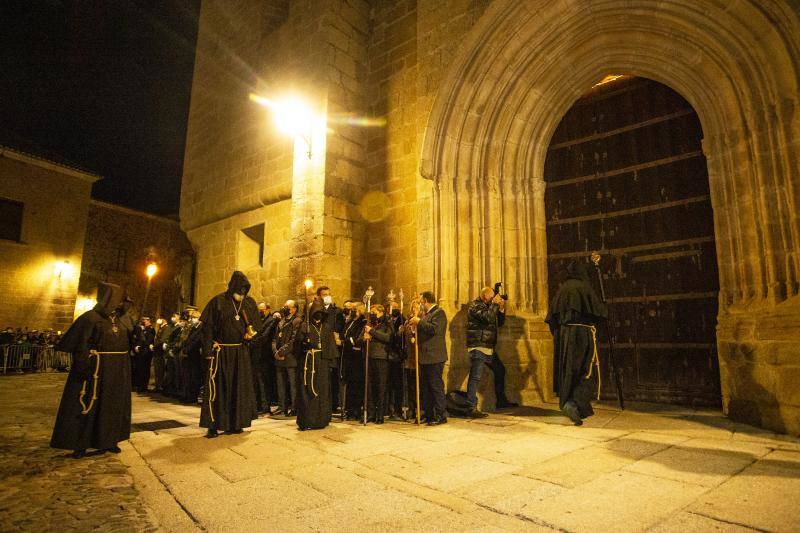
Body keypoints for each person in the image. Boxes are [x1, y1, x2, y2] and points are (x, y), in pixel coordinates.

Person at [50, 282, 132, 458]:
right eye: (117, 299)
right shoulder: (90, 318)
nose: (120, 303)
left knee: (111, 406)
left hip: (116, 373)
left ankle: (109, 440)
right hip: (95, 371)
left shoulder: (120, 320)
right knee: (88, 405)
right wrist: (84, 366)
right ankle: (80, 444)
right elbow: (81, 345)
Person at [198, 271, 262, 438]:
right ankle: (213, 425)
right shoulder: (218, 301)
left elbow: (256, 328)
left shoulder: (248, 303)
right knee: (218, 389)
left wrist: (250, 338)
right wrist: (208, 350)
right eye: (239, 290)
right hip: (221, 352)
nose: (241, 294)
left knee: (238, 389)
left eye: (244, 291)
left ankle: (236, 423)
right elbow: (207, 328)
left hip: (240, 353)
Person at [545, 259, 608, 425]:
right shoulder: (584, 287)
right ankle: (576, 403)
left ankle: (567, 401)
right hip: (582, 334)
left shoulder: (562, 289)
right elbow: (600, 312)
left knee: (567, 369)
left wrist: (560, 333)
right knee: (584, 370)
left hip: (565, 335)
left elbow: (552, 317)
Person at [464, 287, 508, 418]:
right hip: (478, 346)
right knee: (475, 377)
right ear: (484, 296)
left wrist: (501, 308)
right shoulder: (474, 306)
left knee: (500, 370)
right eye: (491, 297)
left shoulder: (489, 306)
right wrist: (494, 304)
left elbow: (499, 323)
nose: (492, 299)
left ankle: (501, 401)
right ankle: (471, 408)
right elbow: (488, 318)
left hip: (488, 347)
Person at [407, 291, 448, 425]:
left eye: (420, 301)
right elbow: (424, 330)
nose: (420, 304)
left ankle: (441, 415)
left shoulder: (439, 313)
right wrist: (414, 328)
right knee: (425, 387)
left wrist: (419, 321)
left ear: (425, 300)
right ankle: (428, 414)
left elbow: (434, 329)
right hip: (425, 356)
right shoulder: (427, 315)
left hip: (434, 356)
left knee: (435, 386)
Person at [294, 302, 333, 430]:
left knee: (322, 390)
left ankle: (321, 420)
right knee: (307, 389)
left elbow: (330, 346)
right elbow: (297, 345)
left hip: (322, 363)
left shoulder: (326, 327)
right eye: (316, 313)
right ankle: (307, 420)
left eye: (321, 313)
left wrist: (330, 363)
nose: (319, 316)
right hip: (308, 361)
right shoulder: (305, 326)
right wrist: (304, 342)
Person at [360, 304, 394, 424]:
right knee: (369, 386)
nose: (372, 314)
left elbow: (388, 337)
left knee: (380, 386)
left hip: (381, 357)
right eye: (371, 312)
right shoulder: (369, 323)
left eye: (374, 312)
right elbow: (359, 339)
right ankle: (370, 413)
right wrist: (364, 337)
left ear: (381, 312)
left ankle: (380, 414)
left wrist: (372, 332)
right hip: (368, 357)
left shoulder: (387, 323)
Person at [272, 300, 303, 417]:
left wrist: (282, 352)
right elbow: (274, 339)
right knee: (280, 384)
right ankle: (282, 407)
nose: (284, 308)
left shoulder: (297, 321)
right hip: (278, 357)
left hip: (290, 357)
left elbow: (293, 340)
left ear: (294, 309)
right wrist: (275, 351)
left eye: (287, 307)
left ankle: (294, 407)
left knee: (292, 384)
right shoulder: (281, 321)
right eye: (284, 306)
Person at [316, 286, 343, 413]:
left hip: (331, 347)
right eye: (324, 294)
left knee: (332, 378)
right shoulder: (315, 309)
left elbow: (338, 327)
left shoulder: (336, 311)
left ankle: (333, 404)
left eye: (328, 294)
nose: (326, 296)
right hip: (318, 348)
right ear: (319, 296)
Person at [341, 301, 365, 420]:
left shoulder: (362, 322)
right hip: (348, 355)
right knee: (350, 383)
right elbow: (345, 334)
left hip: (357, 356)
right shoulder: (350, 321)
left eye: (355, 308)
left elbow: (357, 338)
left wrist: (349, 340)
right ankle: (349, 409)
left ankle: (356, 410)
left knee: (356, 383)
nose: (352, 310)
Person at [386, 300, 406, 419]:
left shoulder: (402, 320)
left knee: (397, 384)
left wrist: (399, 334)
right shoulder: (387, 320)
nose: (393, 309)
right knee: (388, 384)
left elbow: (402, 339)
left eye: (396, 307)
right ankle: (388, 409)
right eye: (391, 307)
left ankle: (398, 409)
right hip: (387, 355)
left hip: (397, 356)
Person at [152, 316, 176, 393]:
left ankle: (160, 386)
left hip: (160, 352)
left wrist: (154, 346)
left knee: (160, 369)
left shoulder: (166, 328)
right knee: (157, 369)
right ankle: (158, 385)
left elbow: (162, 339)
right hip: (157, 351)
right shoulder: (161, 327)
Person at [131, 317, 155, 392]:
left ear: (148, 321)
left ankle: (144, 386)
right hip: (141, 352)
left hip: (146, 352)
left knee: (145, 369)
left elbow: (148, 340)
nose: (143, 322)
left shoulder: (151, 329)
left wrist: (140, 347)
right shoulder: (142, 329)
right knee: (140, 369)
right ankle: (139, 385)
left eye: (144, 321)